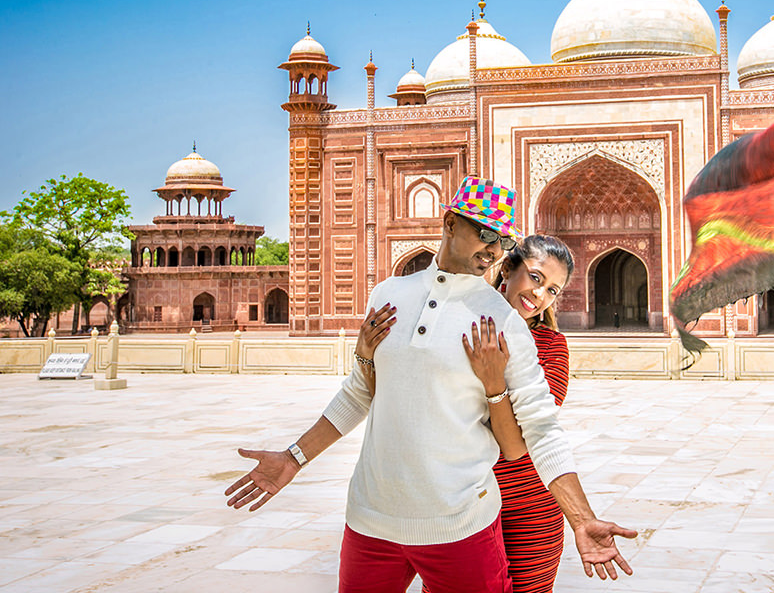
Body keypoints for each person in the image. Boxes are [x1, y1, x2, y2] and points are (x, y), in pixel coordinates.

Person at [224, 177, 635, 593]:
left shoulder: (504, 322)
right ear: (450, 222)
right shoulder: (389, 294)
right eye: (485, 232)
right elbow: (361, 391)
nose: (492, 249)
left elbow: (540, 430)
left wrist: (582, 519)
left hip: (461, 525)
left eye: (503, 241)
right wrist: (294, 458)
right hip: (371, 519)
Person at [356, 234, 575, 593]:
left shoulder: (550, 346)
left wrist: (492, 382)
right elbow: (398, 399)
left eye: (552, 290)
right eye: (536, 278)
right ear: (507, 268)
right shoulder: (453, 322)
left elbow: (520, 437)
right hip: (455, 504)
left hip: (525, 505)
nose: (540, 295)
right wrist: (368, 355)